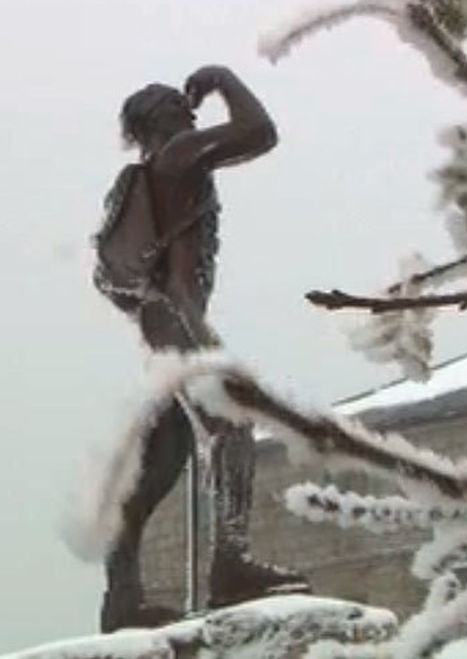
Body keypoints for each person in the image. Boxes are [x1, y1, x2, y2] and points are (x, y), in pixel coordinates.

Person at [92, 65, 307, 631]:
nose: (191, 114)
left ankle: (122, 596)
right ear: (159, 120)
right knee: (232, 423)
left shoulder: (154, 172)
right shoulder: (176, 155)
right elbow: (259, 131)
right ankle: (230, 564)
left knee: (161, 463)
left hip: (160, 327)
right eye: (179, 107)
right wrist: (219, 78)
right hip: (179, 319)